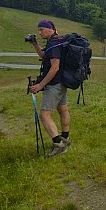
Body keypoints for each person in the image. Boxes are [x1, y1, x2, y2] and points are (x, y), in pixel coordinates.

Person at [28, 19, 71, 157]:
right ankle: (65, 138)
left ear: (50, 29)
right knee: (62, 109)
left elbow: (54, 67)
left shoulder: (53, 44)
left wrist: (41, 85)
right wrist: (35, 44)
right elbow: (44, 56)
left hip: (54, 84)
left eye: (41, 29)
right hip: (63, 82)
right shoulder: (58, 41)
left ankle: (58, 145)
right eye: (38, 30)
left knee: (45, 114)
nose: (39, 32)